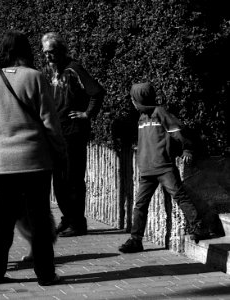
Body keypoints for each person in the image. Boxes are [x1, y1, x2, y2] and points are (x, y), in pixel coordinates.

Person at [0, 30, 66, 286]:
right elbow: (51, 122)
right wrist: (60, 153)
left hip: (2, 164)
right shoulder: (36, 78)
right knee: (39, 220)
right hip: (36, 161)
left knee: (4, 220)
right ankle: (46, 275)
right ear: (26, 51)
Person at [119, 82, 208, 253]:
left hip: (164, 167)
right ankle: (135, 239)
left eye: (133, 99)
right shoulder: (141, 117)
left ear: (140, 99)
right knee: (140, 205)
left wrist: (187, 148)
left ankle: (198, 227)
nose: (132, 102)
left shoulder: (159, 112)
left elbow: (178, 131)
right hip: (146, 170)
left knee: (179, 195)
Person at [41, 32, 106, 237]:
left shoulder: (73, 69)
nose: (48, 57)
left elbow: (96, 92)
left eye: (51, 52)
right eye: (45, 53)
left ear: (61, 50)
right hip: (54, 133)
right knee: (58, 181)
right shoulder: (47, 72)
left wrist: (87, 114)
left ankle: (78, 223)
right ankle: (67, 218)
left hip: (73, 133)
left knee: (73, 179)